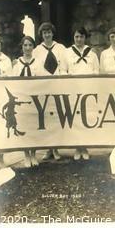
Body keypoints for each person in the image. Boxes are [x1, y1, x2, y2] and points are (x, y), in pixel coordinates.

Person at [33, 22, 67, 160]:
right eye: (44, 32)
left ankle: (57, 148)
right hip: (44, 87)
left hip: (58, 86)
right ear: (41, 35)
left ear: (52, 33)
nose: (47, 34)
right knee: (46, 117)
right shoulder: (37, 50)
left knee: (57, 117)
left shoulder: (61, 48)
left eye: (49, 32)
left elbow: (64, 67)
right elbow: (35, 69)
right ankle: (48, 148)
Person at [65, 27, 100, 160]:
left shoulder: (92, 53)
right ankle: (77, 147)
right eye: (76, 37)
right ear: (74, 38)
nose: (79, 39)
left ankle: (84, 147)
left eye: (81, 37)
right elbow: (63, 70)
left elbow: (97, 71)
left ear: (85, 38)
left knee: (86, 119)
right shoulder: (67, 53)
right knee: (75, 118)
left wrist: (90, 81)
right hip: (73, 90)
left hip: (88, 91)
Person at [12, 36, 40, 167]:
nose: (28, 48)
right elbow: (12, 82)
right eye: (25, 45)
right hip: (21, 99)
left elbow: (43, 81)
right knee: (22, 127)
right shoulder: (17, 64)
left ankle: (33, 155)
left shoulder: (38, 63)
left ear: (33, 47)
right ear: (22, 47)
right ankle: (26, 155)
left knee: (33, 127)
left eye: (30, 45)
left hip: (34, 99)